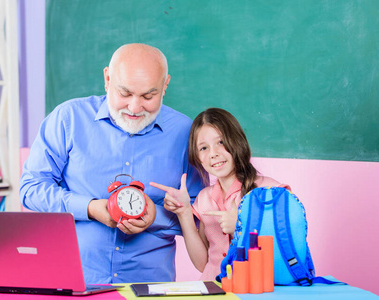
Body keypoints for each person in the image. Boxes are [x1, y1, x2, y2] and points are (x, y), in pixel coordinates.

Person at [20, 43, 204, 284]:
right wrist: (90, 208)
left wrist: (154, 216)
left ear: (165, 85)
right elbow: (31, 189)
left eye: (149, 96)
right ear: (107, 78)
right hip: (72, 281)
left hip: (150, 286)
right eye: (125, 93)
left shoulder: (185, 133)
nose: (135, 107)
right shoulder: (68, 119)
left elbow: (200, 217)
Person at [150, 108, 290, 280]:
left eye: (221, 142)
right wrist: (184, 212)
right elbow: (203, 264)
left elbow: (286, 251)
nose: (213, 153)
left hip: (256, 292)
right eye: (203, 148)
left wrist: (242, 227)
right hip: (214, 291)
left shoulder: (271, 191)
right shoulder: (204, 199)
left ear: (237, 141)